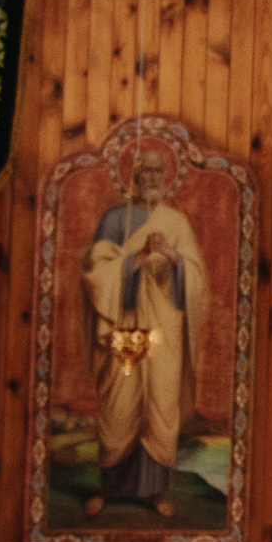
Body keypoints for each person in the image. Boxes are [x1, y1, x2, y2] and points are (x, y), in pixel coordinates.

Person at [80, 141, 210, 515]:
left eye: (158, 170)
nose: (152, 177)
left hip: (162, 329)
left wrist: (175, 259)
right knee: (122, 403)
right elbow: (95, 273)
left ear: (166, 177)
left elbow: (196, 278)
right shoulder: (116, 219)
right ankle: (109, 489)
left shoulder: (176, 222)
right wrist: (137, 257)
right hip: (129, 329)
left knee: (159, 404)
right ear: (134, 177)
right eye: (146, 170)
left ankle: (154, 492)